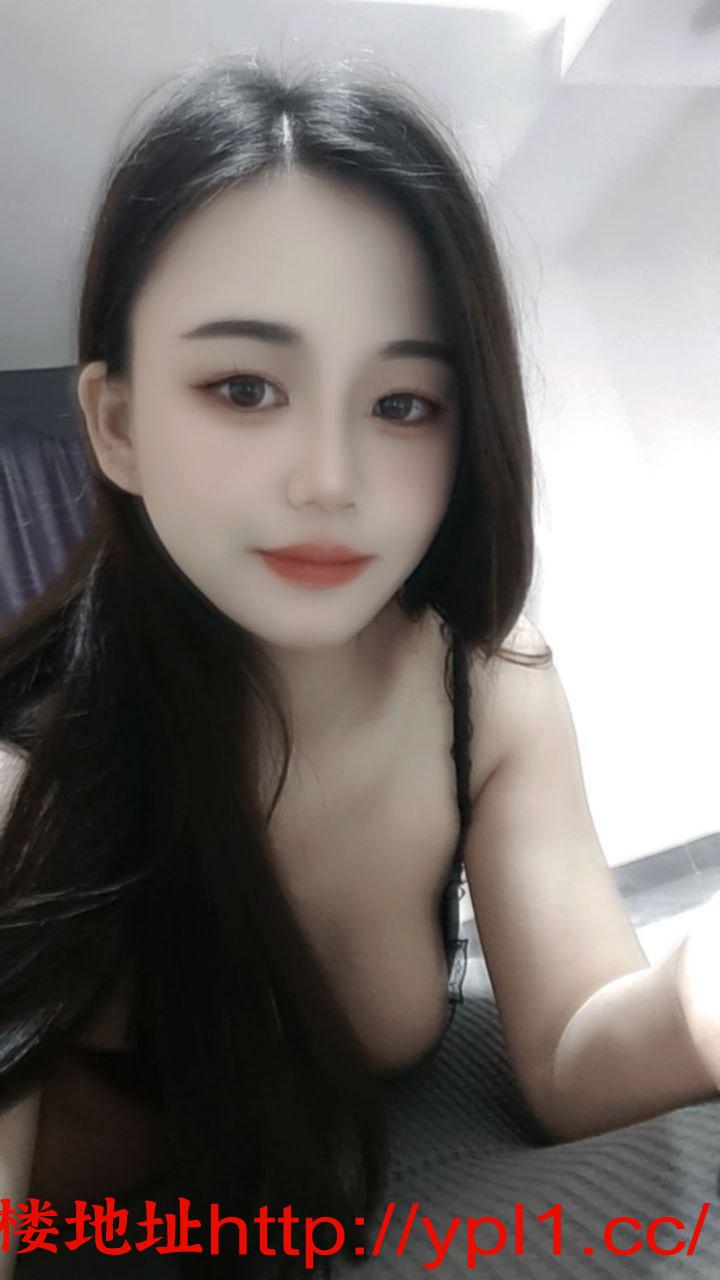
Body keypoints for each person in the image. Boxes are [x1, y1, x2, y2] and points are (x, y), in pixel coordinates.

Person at [1, 53, 719, 1280]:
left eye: (402, 403)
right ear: (116, 424)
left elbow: (571, 1050)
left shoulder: (487, 690)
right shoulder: (29, 778)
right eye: (244, 387)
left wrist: (699, 983)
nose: (332, 479)